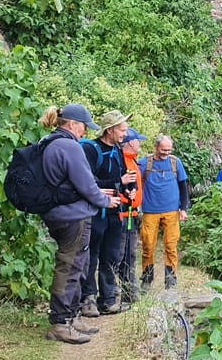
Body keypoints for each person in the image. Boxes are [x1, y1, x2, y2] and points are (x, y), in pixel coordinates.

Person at [38, 104, 121, 345]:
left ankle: (71, 317)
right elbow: (85, 184)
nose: (85, 132)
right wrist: (105, 200)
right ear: (73, 124)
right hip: (72, 217)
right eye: (84, 126)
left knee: (76, 265)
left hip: (59, 214)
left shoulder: (50, 142)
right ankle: (61, 323)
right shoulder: (69, 146)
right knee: (71, 267)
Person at [78, 110, 134, 318]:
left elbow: (119, 178)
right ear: (109, 130)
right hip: (95, 212)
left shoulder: (118, 149)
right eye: (122, 129)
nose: (125, 134)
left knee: (111, 256)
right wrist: (118, 183)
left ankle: (108, 300)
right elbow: (86, 182)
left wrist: (128, 189)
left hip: (114, 212)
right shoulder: (90, 150)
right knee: (91, 256)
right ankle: (88, 299)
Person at [137, 135, 189, 290]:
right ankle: (147, 278)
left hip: (172, 210)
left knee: (171, 245)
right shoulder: (145, 163)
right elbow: (135, 183)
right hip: (150, 210)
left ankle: (171, 278)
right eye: (163, 150)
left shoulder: (175, 162)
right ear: (156, 147)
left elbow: (183, 185)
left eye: (169, 149)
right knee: (148, 245)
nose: (166, 152)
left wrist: (184, 208)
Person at [117, 127, 145, 309]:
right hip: (122, 215)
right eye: (138, 141)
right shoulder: (123, 162)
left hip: (131, 215)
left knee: (130, 254)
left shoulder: (132, 161)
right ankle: (123, 293)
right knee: (121, 255)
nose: (140, 144)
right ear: (130, 143)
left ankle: (130, 291)